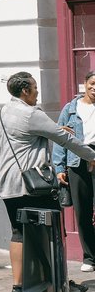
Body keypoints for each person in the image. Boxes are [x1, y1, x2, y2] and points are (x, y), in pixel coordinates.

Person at [0, 70, 95, 292]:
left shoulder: (3, 111)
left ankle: (18, 287)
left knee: (18, 232)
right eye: (34, 87)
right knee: (53, 232)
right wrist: (91, 156)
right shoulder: (30, 113)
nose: (37, 91)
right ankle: (59, 282)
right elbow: (65, 139)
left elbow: (31, 136)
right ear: (24, 91)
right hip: (33, 184)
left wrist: (55, 132)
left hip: (9, 182)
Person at [54, 70, 95, 273]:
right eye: (92, 84)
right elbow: (60, 136)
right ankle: (90, 257)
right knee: (83, 211)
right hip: (76, 161)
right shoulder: (70, 108)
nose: (94, 88)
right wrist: (59, 167)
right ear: (85, 84)